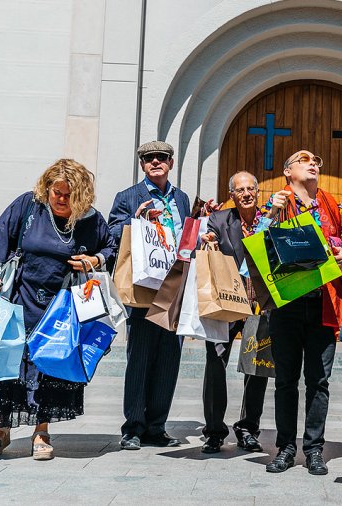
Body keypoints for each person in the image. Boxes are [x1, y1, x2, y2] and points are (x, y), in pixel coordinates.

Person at [0, 159, 116, 460]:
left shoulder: (90, 219)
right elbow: (0, 239)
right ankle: (0, 428)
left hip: (62, 305)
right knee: (10, 364)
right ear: (47, 189)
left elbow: (110, 247)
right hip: (21, 298)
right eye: (57, 193)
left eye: (69, 195)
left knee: (49, 366)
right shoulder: (29, 206)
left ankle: (41, 430)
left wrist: (94, 260)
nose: (62, 200)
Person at [261, 150, 342, 476]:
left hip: (323, 304)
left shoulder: (334, 206)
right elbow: (256, 242)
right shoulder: (275, 202)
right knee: (286, 381)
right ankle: (285, 448)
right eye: (303, 160)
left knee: (319, 381)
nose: (313, 162)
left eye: (316, 160)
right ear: (288, 172)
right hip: (287, 304)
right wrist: (272, 215)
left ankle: (314, 449)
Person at [108, 140, 191, 450]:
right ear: (142, 164)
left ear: (170, 163)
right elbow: (111, 233)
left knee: (169, 357)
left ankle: (156, 426)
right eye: (149, 158)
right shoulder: (129, 197)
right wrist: (136, 220)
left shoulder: (181, 198)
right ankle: (133, 427)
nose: (156, 162)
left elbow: (186, 238)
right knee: (140, 358)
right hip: (145, 286)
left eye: (162, 158)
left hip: (175, 287)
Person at [199, 171, 270, 454]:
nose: (246, 193)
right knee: (215, 362)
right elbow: (209, 235)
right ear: (232, 195)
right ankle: (214, 431)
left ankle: (248, 428)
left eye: (250, 188)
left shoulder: (270, 219)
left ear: (257, 191)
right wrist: (208, 239)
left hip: (259, 303)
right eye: (239, 189)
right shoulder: (220, 218)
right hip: (226, 301)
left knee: (257, 367)